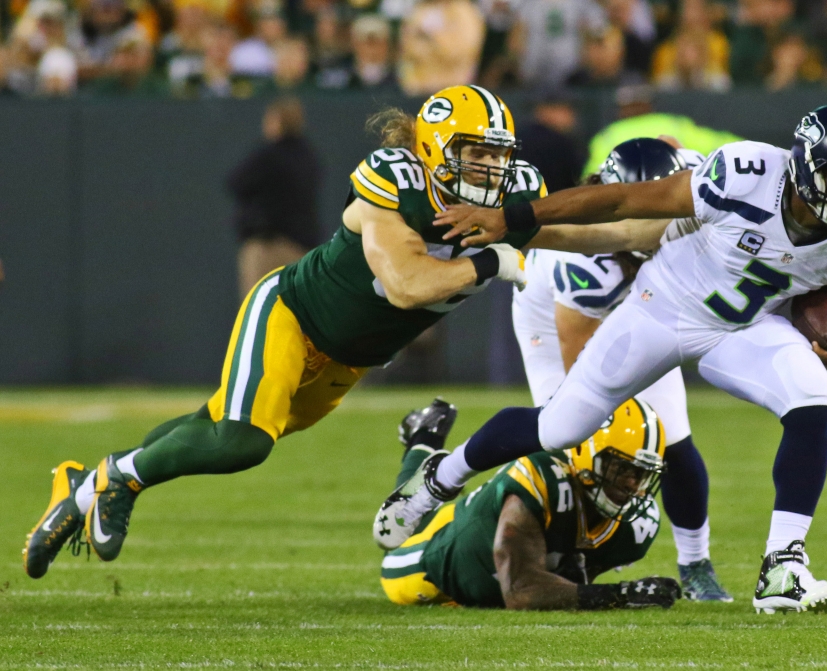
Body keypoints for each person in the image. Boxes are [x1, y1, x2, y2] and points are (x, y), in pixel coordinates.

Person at [22, 84, 671, 579]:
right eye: (473, 154)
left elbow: (594, 229)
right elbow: (406, 285)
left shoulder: (505, 196)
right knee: (242, 440)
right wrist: (491, 258)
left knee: (216, 427)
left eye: (496, 156)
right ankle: (106, 477)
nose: (488, 171)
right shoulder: (394, 184)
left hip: (347, 361)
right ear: (431, 151)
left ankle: (98, 482)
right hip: (295, 316)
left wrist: (668, 226)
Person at [380, 104, 827, 615]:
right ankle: (437, 478)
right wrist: (509, 218)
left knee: (812, 395)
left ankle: (782, 568)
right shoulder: (746, 174)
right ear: (805, 168)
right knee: (562, 426)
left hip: (739, 329)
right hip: (660, 311)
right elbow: (622, 202)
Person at [512, 137, 731, 601]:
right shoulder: (587, 262)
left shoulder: (695, 172)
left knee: (674, 439)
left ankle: (696, 564)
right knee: (565, 435)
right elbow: (579, 358)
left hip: (644, 301)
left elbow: (671, 147)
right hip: (555, 320)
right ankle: (567, 554)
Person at [380, 397, 681, 610]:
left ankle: (424, 438)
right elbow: (521, 592)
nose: (632, 484)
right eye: (622, 468)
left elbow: (571, 583)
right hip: (426, 567)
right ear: (587, 455)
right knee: (404, 522)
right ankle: (423, 439)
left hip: (474, 526)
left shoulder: (637, 527)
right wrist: (620, 595)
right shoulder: (542, 479)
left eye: (642, 474)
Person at [228, 97, 323, 298]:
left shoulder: (268, 155)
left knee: (258, 312)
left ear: (277, 121)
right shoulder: (308, 155)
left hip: (267, 247)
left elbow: (235, 182)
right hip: (302, 250)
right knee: (298, 316)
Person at [580, 84, 740, 177]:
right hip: (674, 203)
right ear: (649, 105)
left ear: (620, 109)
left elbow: (591, 180)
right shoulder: (672, 124)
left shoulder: (607, 135)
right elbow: (726, 145)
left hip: (628, 208)